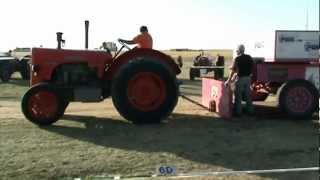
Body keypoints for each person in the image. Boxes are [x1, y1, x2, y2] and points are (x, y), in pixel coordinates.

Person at [225, 44, 254, 117]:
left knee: (238, 96)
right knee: (248, 96)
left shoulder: (237, 58)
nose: (236, 51)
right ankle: (250, 111)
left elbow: (233, 70)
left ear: (239, 50)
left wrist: (228, 80)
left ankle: (238, 112)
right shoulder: (249, 57)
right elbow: (252, 66)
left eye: (237, 50)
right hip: (248, 79)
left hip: (240, 79)